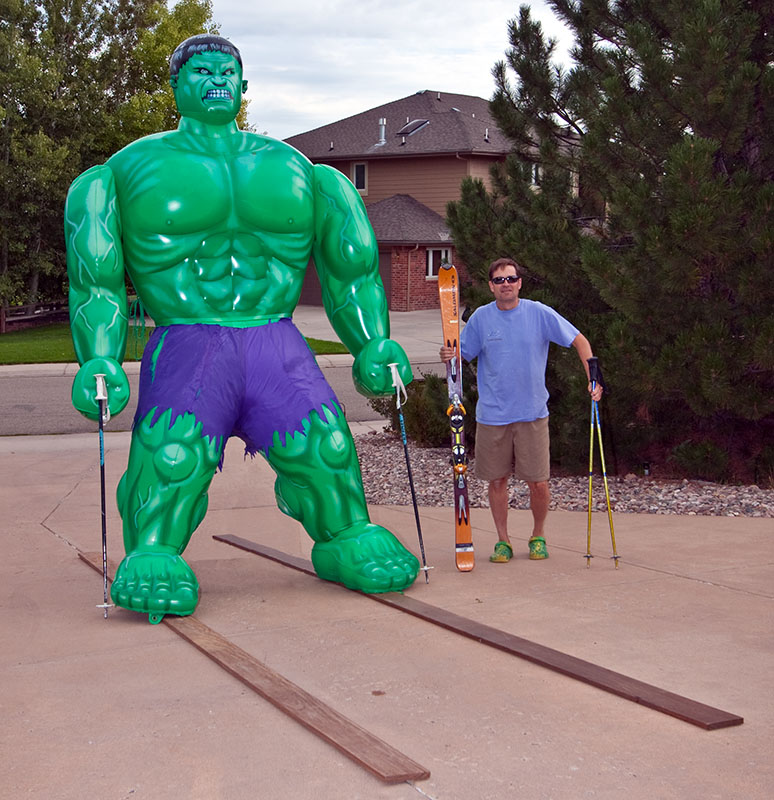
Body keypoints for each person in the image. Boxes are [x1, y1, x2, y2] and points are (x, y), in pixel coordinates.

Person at [65, 34, 419, 620]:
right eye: (199, 70)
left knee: (327, 447)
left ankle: (346, 536)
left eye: (227, 70)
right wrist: (98, 358)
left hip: (274, 340)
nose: (215, 79)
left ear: (245, 85)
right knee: (172, 458)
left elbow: (350, 272)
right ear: (175, 86)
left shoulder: (299, 172)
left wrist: (372, 343)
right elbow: (95, 279)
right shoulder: (125, 173)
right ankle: (153, 551)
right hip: (188, 339)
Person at [439, 258, 602, 563]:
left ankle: (538, 535)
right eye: (499, 281)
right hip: (492, 415)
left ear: (519, 283)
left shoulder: (538, 313)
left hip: (532, 414)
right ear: (491, 286)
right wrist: (449, 354)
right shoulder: (481, 319)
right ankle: (503, 541)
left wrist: (592, 376)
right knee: (497, 481)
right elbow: (461, 356)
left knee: (538, 482)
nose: (506, 285)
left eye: (511, 279)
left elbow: (580, 341)